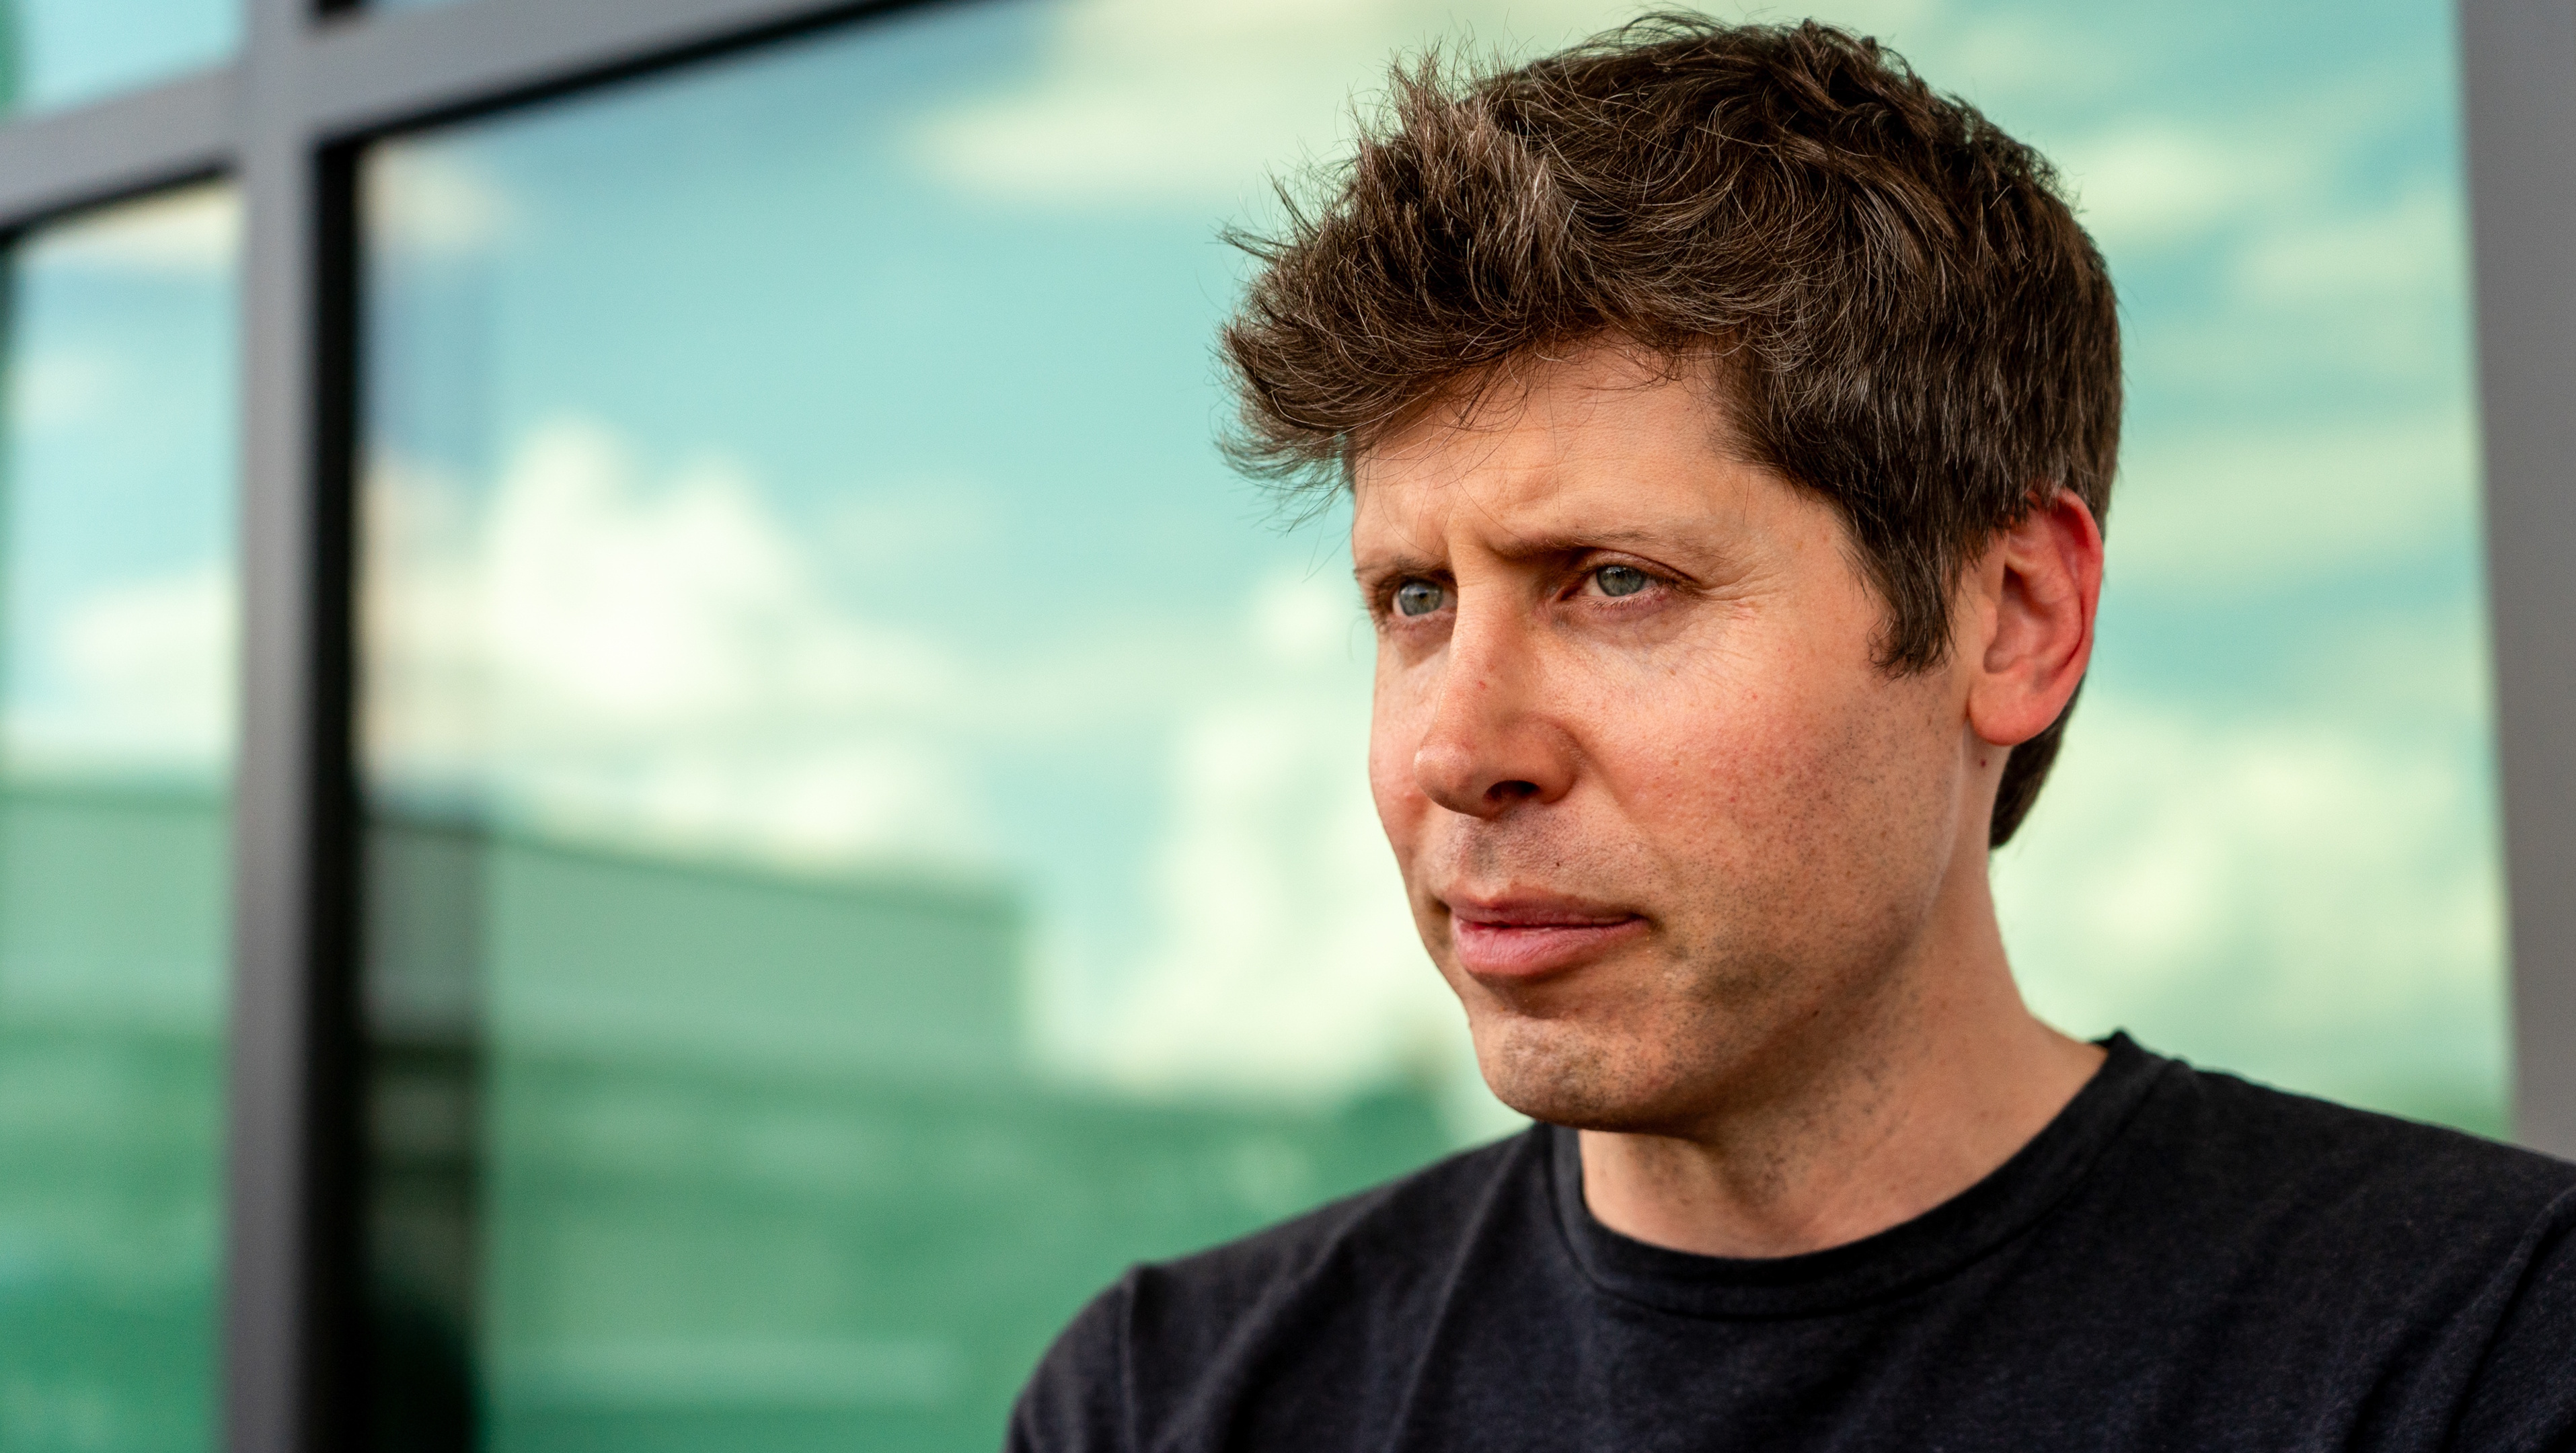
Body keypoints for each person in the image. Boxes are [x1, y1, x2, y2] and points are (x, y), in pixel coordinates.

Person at [1008, 17, 2576, 1450]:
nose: (1454, 748)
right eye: (1414, 598)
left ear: (2015, 617)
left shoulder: (2480, 1352)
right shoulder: (1168, 1399)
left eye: (1616, 581)